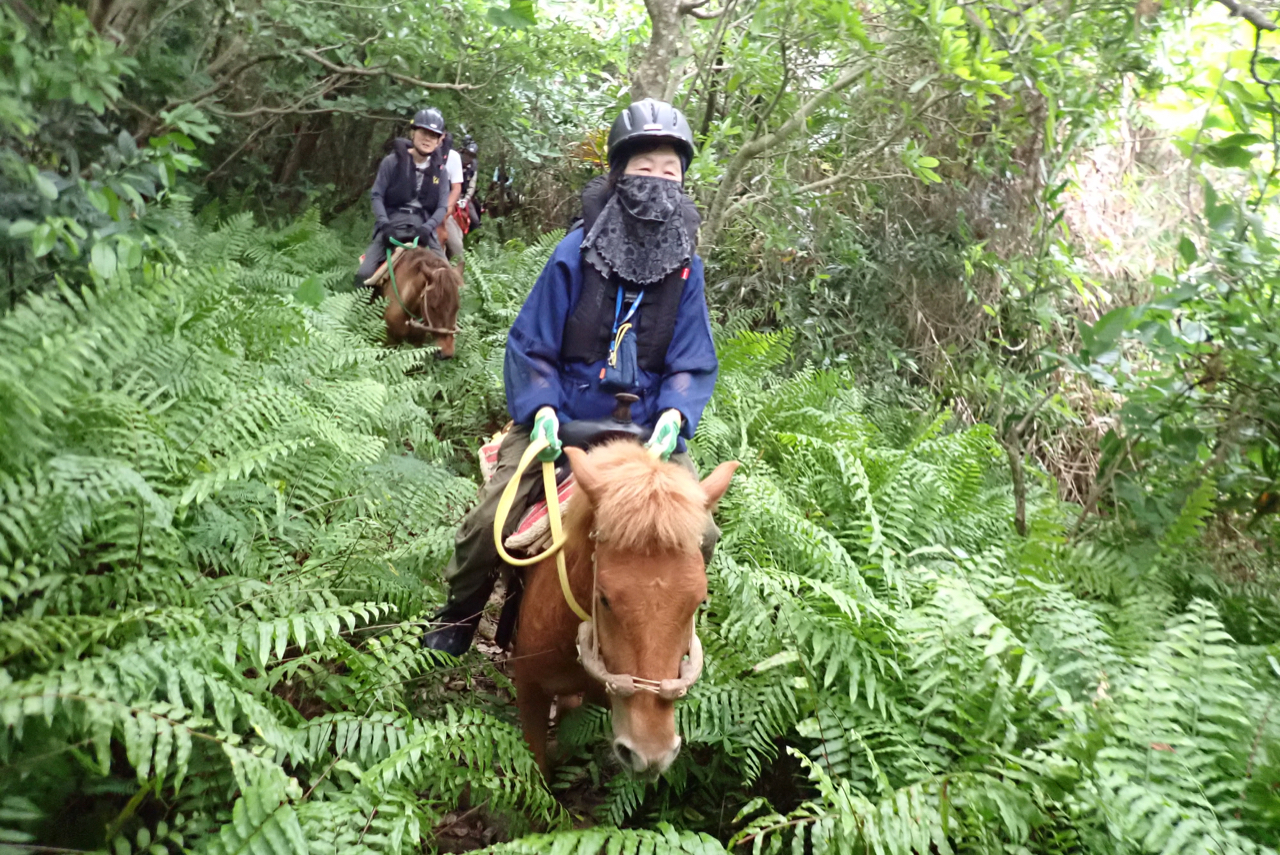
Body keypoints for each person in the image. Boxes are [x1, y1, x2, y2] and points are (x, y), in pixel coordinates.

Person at [423, 99, 719, 656]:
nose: (656, 182)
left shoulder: (687, 269)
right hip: (564, 420)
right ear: (619, 172)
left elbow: (692, 358)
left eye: (669, 173)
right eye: (643, 169)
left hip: (647, 432)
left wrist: (676, 414)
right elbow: (531, 342)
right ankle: (460, 616)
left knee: (699, 535)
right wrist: (541, 410)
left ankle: (661, 641)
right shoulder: (575, 252)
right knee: (491, 523)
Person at [353, 108, 449, 293]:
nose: (428, 139)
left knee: (447, 279)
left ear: (439, 141)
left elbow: (442, 206)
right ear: (413, 132)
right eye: (424, 132)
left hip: (423, 227)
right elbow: (377, 195)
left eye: (433, 135)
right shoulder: (392, 162)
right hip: (393, 222)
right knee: (364, 274)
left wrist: (427, 228)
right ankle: (355, 316)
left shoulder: (441, 172)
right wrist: (385, 225)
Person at [442, 132, 466, 266]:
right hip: (415, 211)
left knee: (457, 246)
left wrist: (446, 209)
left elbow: (456, 188)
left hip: (442, 208)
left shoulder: (454, 158)